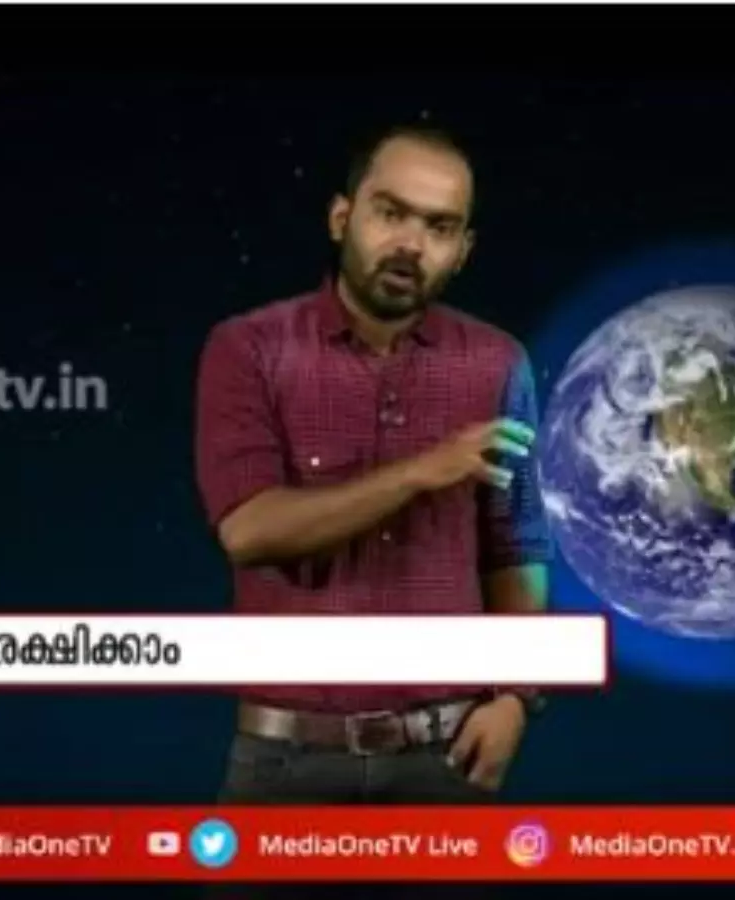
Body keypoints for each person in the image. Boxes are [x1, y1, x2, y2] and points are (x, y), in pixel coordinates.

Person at [193, 123, 551, 811]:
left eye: (440, 227)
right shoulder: (249, 349)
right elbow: (249, 530)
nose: (412, 244)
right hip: (286, 763)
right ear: (341, 217)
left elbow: (517, 549)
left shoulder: (498, 362)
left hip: (447, 760)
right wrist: (422, 471)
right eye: (391, 213)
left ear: (463, 251)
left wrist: (513, 696)